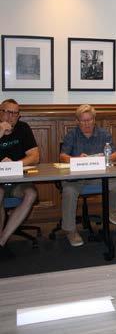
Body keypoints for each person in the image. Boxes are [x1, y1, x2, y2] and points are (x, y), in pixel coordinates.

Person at [60, 104, 116, 247]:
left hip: (98, 177)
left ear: (94, 120)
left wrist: (106, 158)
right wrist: (76, 159)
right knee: (69, 191)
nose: (87, 124)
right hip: (76, 177)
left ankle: (111, 211)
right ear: (77, 121)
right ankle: (70, 230)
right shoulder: (72, 135)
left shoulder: (104, 134)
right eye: (83, 121)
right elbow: (63, 156)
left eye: (89, 120)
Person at [0, 99, 39, 260]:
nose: (11, 117)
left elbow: (35, 156)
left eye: (15, 113)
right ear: (0, 112)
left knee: (31, 194)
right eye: (8, 112)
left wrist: (15, 165)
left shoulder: (23, 128)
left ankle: (1, 242)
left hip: (18, 179)